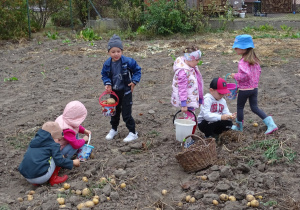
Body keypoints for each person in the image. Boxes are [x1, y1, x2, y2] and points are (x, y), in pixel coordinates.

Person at [230, 34, 278, 134]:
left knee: (240, 108)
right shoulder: (255, 60)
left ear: (244, 48)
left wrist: (235, 76)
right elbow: (257, 73)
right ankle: (271, 124)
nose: (235, 48)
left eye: (237, 47)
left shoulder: (243, 62)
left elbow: (245, 75)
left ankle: (239, 127)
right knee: (254, 108)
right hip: (254, 88)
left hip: (244, 90)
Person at [101, 34, 142, 142]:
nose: (116, 54)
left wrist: (134, 81)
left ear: (122, 51)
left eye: (118, 51)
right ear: (109, 52)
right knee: (113, 112)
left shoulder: (128, 61)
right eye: (113, 52)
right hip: (114, 92)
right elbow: (104, 75)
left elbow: (137, 70)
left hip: (126, 92)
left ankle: (133, 132)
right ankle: (114, 129)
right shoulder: (107, 64)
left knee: (126, 114)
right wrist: (107, 83)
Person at [18, 122, 80, 186]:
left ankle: (36, 182)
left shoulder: (34, 142)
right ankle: (54, 178)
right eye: (58, 139)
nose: (58, 141)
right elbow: (59, 161)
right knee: (56, 157)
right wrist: (72, 162)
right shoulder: (53, 145)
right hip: (41, 177)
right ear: (52, 137)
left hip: (27, 176)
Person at [171, 46, 204, 126]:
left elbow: (199, 83)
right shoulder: (183, 72)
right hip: (186, 101)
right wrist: (183, 104)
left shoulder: (192, 67)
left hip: (192, 98)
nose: (198, 61)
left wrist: (200, 99)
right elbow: (182, 89)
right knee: (190, 121)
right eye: (196, 60)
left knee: (191, 119)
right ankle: (187, 137)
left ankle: (188, 136)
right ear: (190, 59)